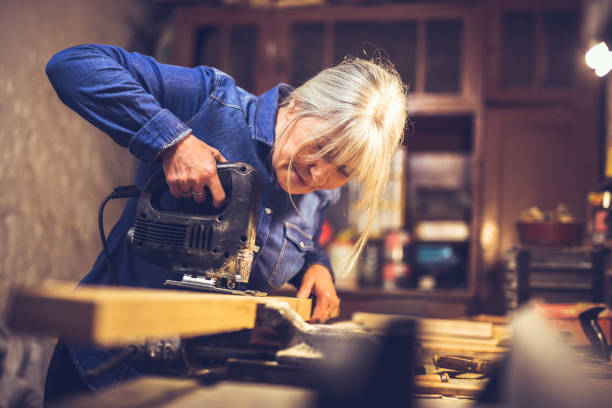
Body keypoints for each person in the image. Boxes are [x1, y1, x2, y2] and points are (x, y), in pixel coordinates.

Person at [43, 44, 407, 399]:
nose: (318, 174)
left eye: (343, 169)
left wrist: (317, 264)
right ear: (296, 104)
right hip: (103, 370)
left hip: (200, 386)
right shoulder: (209, 101)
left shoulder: (322, 193)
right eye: (321, 146)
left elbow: (304, 241)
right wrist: (173, 141)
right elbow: (73, 65)